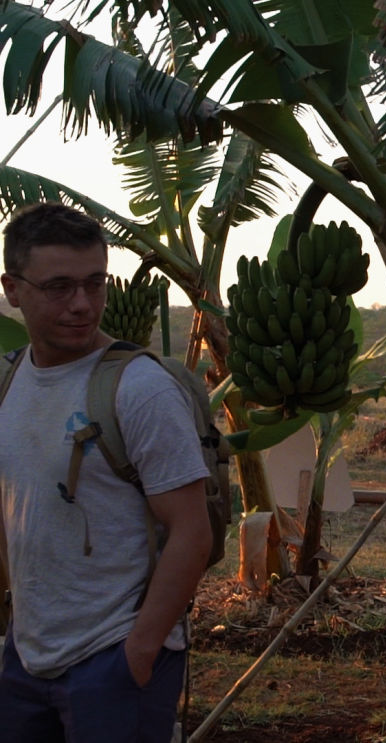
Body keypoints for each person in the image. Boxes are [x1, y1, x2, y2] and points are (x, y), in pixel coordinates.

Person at [0, 203, 212, 743]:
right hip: (26, 656)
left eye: (95, 284)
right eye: (59, 287)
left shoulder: (140, 389)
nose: (82, 304)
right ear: (12, 290)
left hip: (114, 659)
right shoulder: (8, 382)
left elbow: (192, 530)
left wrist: (137, 654)